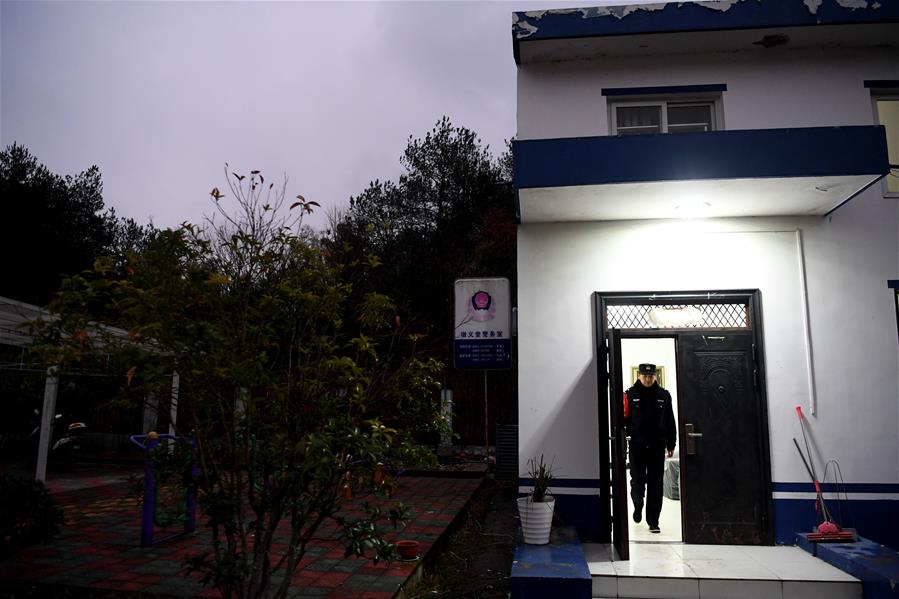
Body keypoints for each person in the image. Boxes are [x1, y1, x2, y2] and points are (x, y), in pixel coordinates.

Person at [623, 363, 676, 533]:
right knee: (637, 482)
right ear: (639, 375)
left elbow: (670, 421)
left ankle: (653, 521)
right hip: (637, 447)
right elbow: (622, 422)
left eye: (651, 376)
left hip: (657, 447)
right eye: (645, 376)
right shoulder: (630, 395)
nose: (647, 379)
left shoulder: (664, 396)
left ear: (655, 376)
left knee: (656, 484)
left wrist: (671, 444)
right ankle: (638, 506)